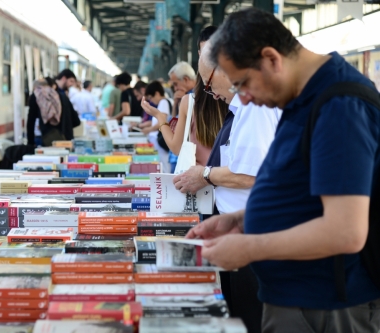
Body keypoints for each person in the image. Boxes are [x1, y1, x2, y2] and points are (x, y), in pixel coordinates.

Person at [192, 7, 380, 333]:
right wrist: (241, 220)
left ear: (271, 59)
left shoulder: (339, 107)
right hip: (297, 297)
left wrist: (250, 247)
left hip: (326, 304)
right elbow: (305, 196)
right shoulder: (300, 99)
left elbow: (345, 232)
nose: (245, 100)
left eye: (243, 84)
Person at [174, 39, 281, 332]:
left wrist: (205, 175)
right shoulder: (243, 108)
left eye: (209, 84)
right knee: (238, 312)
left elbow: (253, 174)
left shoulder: (255, 109)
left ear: (225, 70)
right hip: (239, 227)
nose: (211, 94)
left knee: (250, 317)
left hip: (253, 235)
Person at [142, 26, 229, 167]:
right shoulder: (242, 100)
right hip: (229, 184)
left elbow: (176, 148)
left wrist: (160, 117)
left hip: (200, 184)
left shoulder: (190, 102)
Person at [27, 78, 81, 147]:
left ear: (35, 87)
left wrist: (30, 143)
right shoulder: (62, 96)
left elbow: (30, 122)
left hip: (48, 141)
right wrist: (65, 127)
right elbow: (76, 121)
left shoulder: (36, 96)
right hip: (67, 141)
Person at [136, 81, 172, 173]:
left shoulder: (164, 102)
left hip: (161, 138)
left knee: (164, 165)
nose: (151, 101)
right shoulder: (164, 102)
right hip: (159, 138)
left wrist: (149, 129)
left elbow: (162, 121)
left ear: (157, 93)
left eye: (151, 98)